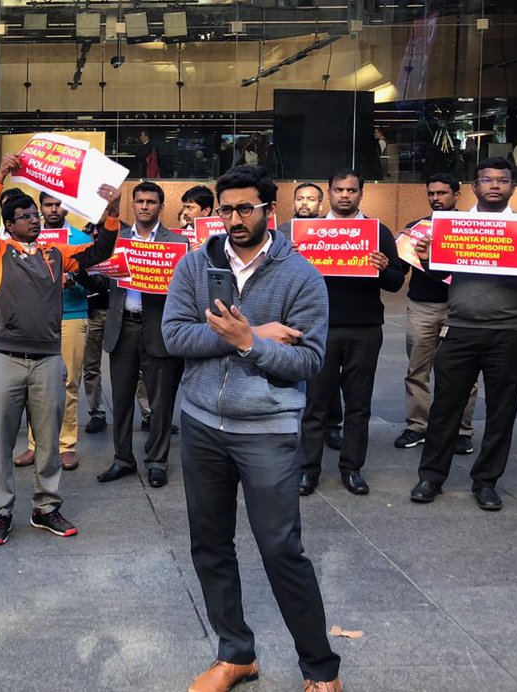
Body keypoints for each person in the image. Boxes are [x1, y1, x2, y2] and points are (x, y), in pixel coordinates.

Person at [163, 165, 341, 692]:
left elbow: (309, 361)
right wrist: (250, 334)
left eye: (246, 208)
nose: (235, 219)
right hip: (201, 425)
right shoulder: (195, 266)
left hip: (268, 429)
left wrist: (248, 344)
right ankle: (236, 653)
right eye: (227, 209)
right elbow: (174, 335)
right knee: (210, 545)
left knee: (281, 548)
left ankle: (320, 669)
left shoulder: (301, 275)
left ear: (271, 209)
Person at [0, 154, 121, 545]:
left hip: (47, 359)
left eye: (35, 215)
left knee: (49, 437)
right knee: (2, 440)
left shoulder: (57, 255)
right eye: (25, 217)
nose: (35, 220)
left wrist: (112, 212)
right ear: (11, 225)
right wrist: (0, 178)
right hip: (6, 359)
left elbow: (100, 251)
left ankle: (45, 507)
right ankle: (1, 511)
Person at [412, 158, 517, 512]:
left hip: (509, 332)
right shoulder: (454, 226)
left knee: (502, 412)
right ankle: (431, 477)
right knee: (446, 407)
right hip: (460, 328)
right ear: (474, 187)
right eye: (486, 180)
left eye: (501, 181)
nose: (494, 186)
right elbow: (439, 274)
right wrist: (429, 258)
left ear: (512, 187)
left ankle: (486, 481)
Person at [298, 169, 404, 497]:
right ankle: (308, 470)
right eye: (339, 189)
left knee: (358, 405)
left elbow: (396, 282)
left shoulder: (378, 232)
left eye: (352, 190)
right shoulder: (307, 232)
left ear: (361, 193)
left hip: (365, 329)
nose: (345, 195)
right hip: (320, 329)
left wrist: (384, 267)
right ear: (328, 193)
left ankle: (352, 468)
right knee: (316, 404)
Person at [95, 182, 185, 488]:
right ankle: (122, 459)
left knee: (160, 402)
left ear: (161, 207)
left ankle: (158, 461)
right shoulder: (116, 239)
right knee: (121, 399)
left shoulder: (177, 242)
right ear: (132, 205)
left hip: (158, 327)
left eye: (151, 202)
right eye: (140, 201)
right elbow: (96, 270)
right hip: (123, 327)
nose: (145, 206)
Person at [396, 173, 478, 452]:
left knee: (464, 372)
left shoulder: (470, 228)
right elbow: (397, 274)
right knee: (417, 370)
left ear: (457, 194)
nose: (436, 198)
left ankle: (462, 430)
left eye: (442, 193)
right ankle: (417, 426)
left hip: (462, 307)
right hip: (423, 306)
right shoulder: (414, 228)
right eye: (431, 194)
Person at [14, 191, 93, 471]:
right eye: (48, 205)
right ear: (40, 209)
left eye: (59, 204)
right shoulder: (27, 240)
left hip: (72, 315)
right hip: (37, 320)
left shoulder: (82, 240)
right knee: (35, 386)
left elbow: (96, 285)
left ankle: (67, 445)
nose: (54, 209)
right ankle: (36, 444)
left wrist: (74, 282)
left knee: (69, 383)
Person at [292, 182, 341, 450]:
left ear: (320, 205)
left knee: (325, 372)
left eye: (311, 199)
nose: (305, 203)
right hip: (291, 308)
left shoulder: (329, 230)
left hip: (323, 307)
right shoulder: (282, 231)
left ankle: (332, 424)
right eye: (300, 198)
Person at [80, 220, 110, 435]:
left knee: (137, 368)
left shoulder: (125, 233)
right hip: (92, 310)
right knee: (91, 365)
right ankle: (96, 412)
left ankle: (147, 413)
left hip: (122, 309)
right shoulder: (84, 235)